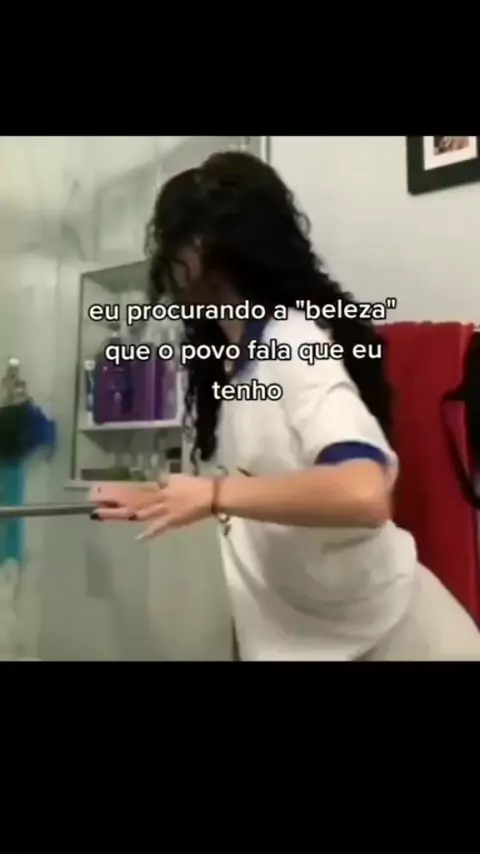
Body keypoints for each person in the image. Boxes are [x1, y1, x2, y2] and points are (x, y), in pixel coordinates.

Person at [91, 151, 480, 661]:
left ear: (203, 249)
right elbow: (259, 488)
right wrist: (164, 496)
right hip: (321, 640)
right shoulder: (229, 365)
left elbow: (364, 493)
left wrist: (214, 494)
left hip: (401, 640)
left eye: (173, 241)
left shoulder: (292, 345)